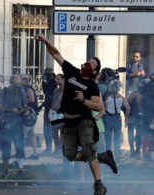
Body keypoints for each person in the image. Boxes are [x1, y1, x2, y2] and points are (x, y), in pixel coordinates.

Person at [34, 34, 112, 195]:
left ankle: (99, 185)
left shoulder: (91, 85)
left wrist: (84, 100)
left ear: (95, 70)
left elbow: (98, 106)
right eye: (89, 60)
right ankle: (101, 157)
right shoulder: (72, 72)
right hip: (68, 123)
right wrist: (45, 40)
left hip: (84, 121)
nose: (89, 63)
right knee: (69, 154)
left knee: (88, 151)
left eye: (93, 63)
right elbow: (56, 54)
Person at [0, 74, 27, 177]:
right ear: (12, 81)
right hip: (6, 122)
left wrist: (22, 111)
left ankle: (21, 169)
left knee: (20, 145)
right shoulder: (3, 91)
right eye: (18, 81)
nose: (20, 83)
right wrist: (10, 110)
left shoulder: (21, 91)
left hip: (18, 122)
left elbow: (25, 106)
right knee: (6, 145)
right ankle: (5, 169)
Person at [103, 80, 130, 163]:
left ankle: (108, 159)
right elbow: (128, 107)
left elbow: (104, 108)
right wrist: (126, 117)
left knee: (108, 140)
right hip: (117, 118)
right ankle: (117, 159)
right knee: (117, 140)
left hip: (108, 117)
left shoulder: (107, 97)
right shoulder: (122, 97)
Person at [20, 74, 39, 160]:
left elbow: (31, 99)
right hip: (30, 114)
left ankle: (21, 154)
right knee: (31, 134)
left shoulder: (28, 89)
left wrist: (20, 101)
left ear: (25, 81)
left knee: (22, 134)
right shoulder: (24, 88)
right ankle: (35, 154)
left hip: (29, 114)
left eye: (20, 80)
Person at [39, 68, 57, 156]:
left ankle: (53, 148)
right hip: (48, 107)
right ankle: (48, 148)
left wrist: (43, 82)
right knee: (46, 129)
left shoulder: (53, 82)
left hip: (52, 108)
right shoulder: (50, 81)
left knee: (50, 129)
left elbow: (46, 92)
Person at [127, 80, 143, 159]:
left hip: (137, 117)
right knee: (133, 134)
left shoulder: (137, 94)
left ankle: (136, 151)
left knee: (138, 135)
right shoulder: (133, 94)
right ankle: (133, 151)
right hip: (134, 116)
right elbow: (127, 103)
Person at [50, 73, 65, 157]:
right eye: (56, 79)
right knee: (54, 133)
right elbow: (54, 101)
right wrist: (51, 112)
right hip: (55, 115)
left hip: (63, 115)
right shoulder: (55, 90)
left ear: (63, 80)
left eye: (58, 79)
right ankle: (57, 149)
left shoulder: (67, 90)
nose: (57, 80)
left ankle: (61, 151)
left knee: (63, 133)